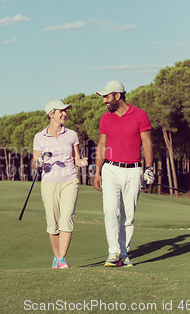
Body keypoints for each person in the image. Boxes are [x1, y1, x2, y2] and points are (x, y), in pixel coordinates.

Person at [92, 80, 154, 267]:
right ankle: (113, 253)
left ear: (118, 96)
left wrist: (149, 168)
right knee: (110, 210)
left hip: (133, 170)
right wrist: (97, 172)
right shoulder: (105, 118)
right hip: (110, 168)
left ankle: (124, 254)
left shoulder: (140, 115)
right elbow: (102, 145)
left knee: (128, 215)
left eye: (107, 97)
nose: (104, 101)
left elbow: (147, 143)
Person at [32, 99, 88, 269]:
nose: (65, 114)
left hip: (69, 180)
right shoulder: (39, 137)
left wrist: (81, 162)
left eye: (65, 111)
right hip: (49, 182)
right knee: (52, 222)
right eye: (61, 111)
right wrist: (41, 161)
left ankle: (62, 259)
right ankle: (56, 258)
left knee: (67, 218)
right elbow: (35, 162)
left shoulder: (71, 135)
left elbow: (76, 158)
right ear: (51, 114)